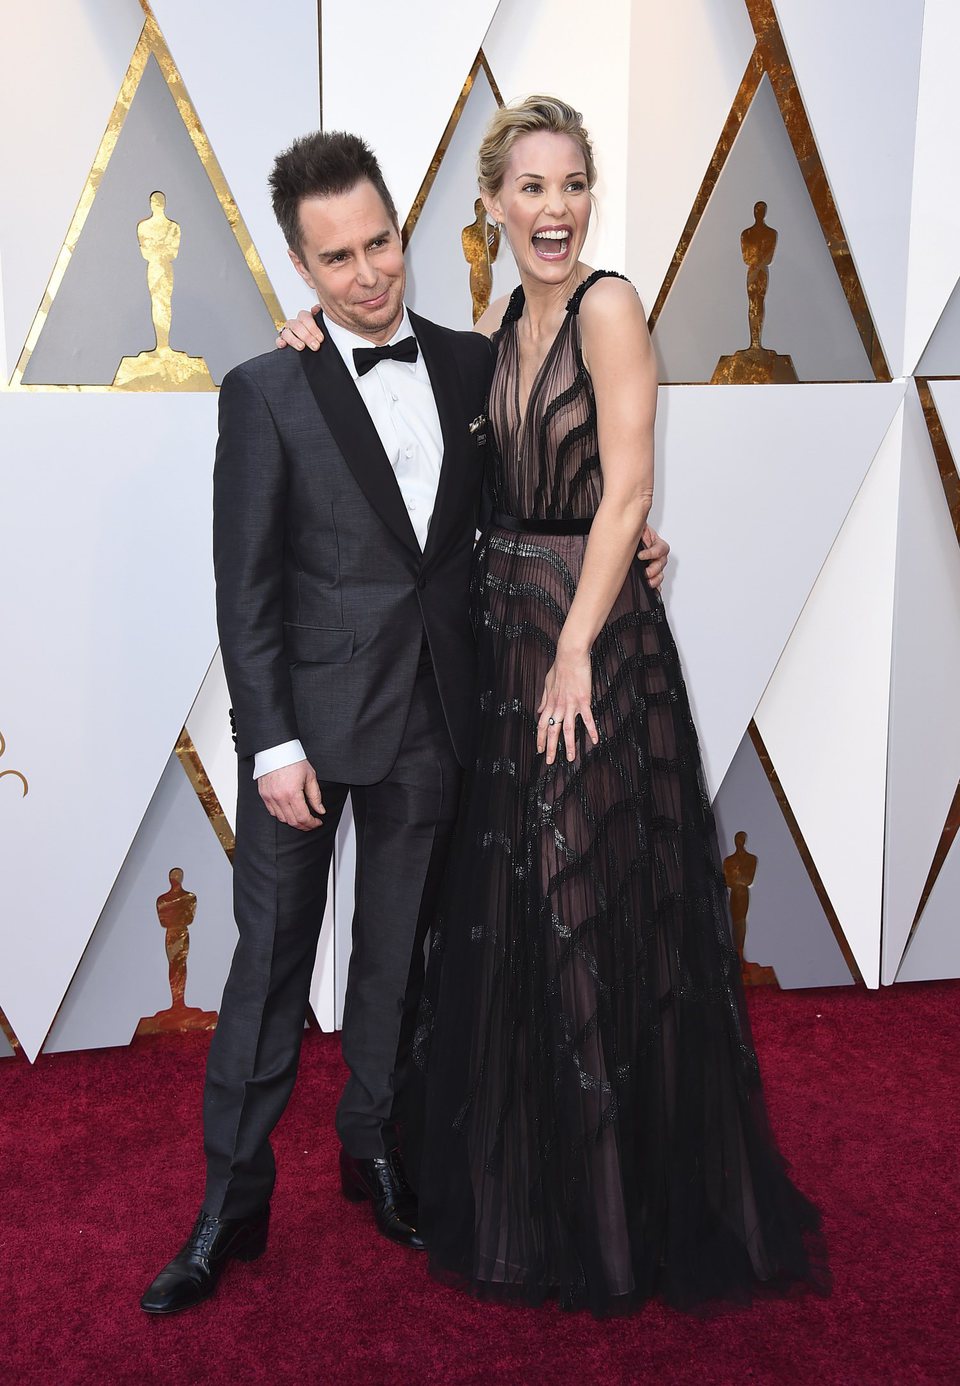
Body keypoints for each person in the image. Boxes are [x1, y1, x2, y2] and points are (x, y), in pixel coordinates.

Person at [139, 125, 673, 1316]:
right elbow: (249, 589)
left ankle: (371, 1147)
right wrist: (270, 741)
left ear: (403, 231)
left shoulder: (472, 367)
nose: (369, 274)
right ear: (300, 267)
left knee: (395, 965)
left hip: (440, 720)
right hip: (307, 743)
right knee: (269, 971)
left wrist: (626, 538)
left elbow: (544, 492)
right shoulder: (264, 389)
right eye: (337, 261)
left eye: (381, 243)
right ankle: (230, 1201)